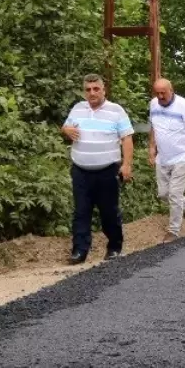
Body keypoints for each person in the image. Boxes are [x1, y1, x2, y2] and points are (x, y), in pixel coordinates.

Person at [62, 74, 134, 263]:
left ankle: (114, 247)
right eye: (88, 89)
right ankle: (80, 251)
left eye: (96, 89)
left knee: (109, 211)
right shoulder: (77, 109)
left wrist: (126, 165)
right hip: (80, 169)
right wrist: (66, 130)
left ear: (104, 90)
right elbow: (66, 128)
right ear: (84, 91)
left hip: (107, 170)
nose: (92, 93)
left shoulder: (116, 111)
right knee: (81, 211)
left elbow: (127, 138)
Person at [148, 79, 185, 242]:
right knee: (163, 194)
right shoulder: (153, 104)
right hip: (163, 158)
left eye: (163, 93)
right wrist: (151, 148)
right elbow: (153, 127)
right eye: (157, 93)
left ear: (171, 90)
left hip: (183, 156)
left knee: (174, 193)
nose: (160, 96)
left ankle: (173, 231)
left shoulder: (184, 106)